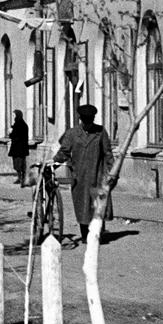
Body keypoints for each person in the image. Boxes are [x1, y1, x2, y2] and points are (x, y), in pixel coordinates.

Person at [54, 104, 114, 245]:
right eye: (86, 121)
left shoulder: (100, 132)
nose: (88, 124)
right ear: (80, 119)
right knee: (82, 207)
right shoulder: (72, 133)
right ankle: (85, 234)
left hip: (98, 175)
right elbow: (64, 152)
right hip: (79, 176)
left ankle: (97, 233)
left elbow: (108, 153)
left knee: (98, 205)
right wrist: (54, 162)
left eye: (90, 120)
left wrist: (111, 173)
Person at [8, 110, 30, 185]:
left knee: (17, 164)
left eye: (14, 115)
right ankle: (21, 178)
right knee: (22, 164)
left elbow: (14, 136)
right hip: (23, 148)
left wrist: (10, 132)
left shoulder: (17, 125)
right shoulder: (24, 125)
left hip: (17, 148)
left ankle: (21, 179)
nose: (13, 117)